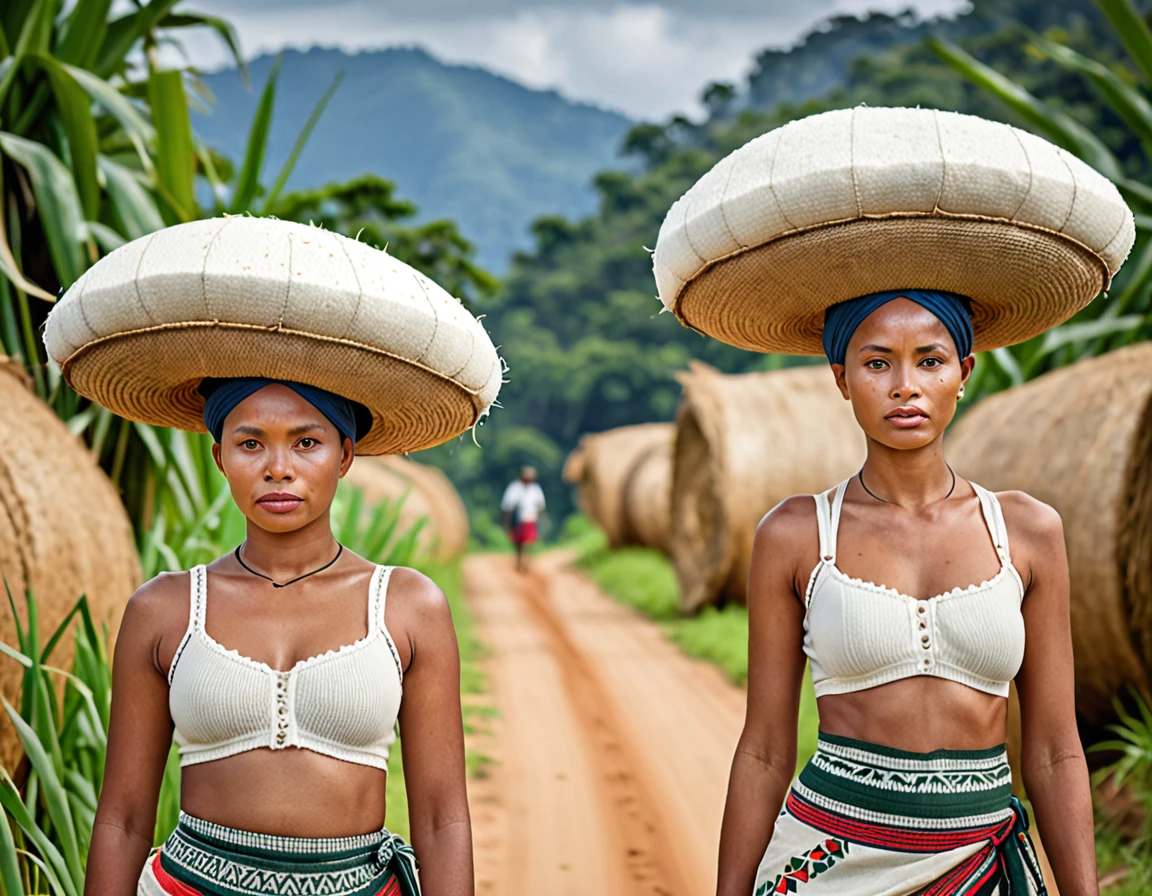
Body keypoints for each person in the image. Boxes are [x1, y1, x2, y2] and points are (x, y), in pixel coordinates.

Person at [650, 107, 1134, 896]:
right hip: (829, 860)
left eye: (929, 359)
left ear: (964, 371)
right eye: (876, 362)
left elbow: (1053, 750)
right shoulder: (798, 535)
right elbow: (766, 748)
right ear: (840, 378)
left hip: (983, 863)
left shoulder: (1029, 533)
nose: (905, 384)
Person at [43, 217, 503, 896]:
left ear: (347, 455)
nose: (278, 468)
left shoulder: (407, 607)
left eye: (307, 442)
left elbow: (441, 819)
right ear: (219, 455)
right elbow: (122, 817)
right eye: (251, 442)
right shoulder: (166, 609)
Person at [501, 466, 547, 572]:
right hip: (518, 521)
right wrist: (507, 524)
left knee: (528, 542)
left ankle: (526, 562)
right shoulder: (514, 488)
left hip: (530, 519)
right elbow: (507, 507)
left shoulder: (535, 489)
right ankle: (519, 561)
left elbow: (540, 506)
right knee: (519, 543)